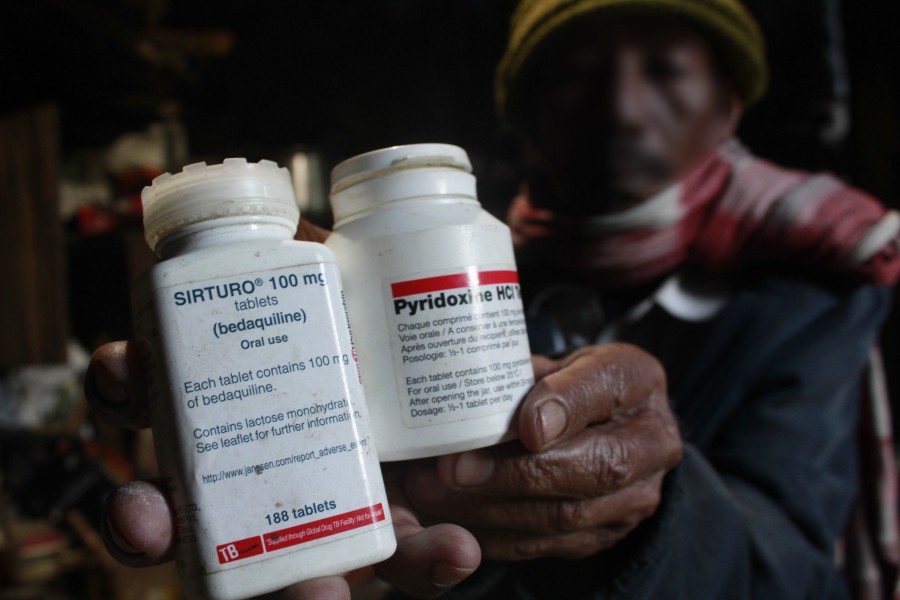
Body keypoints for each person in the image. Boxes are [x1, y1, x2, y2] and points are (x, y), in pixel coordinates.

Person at [86, 0, 900, 598]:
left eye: (663, 68)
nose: (620, 105)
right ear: (524, 117)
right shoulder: (399, 265)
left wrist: (650, 516)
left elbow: (796, 564)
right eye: (579, 73)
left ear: (726, 106)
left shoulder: (812, 295)